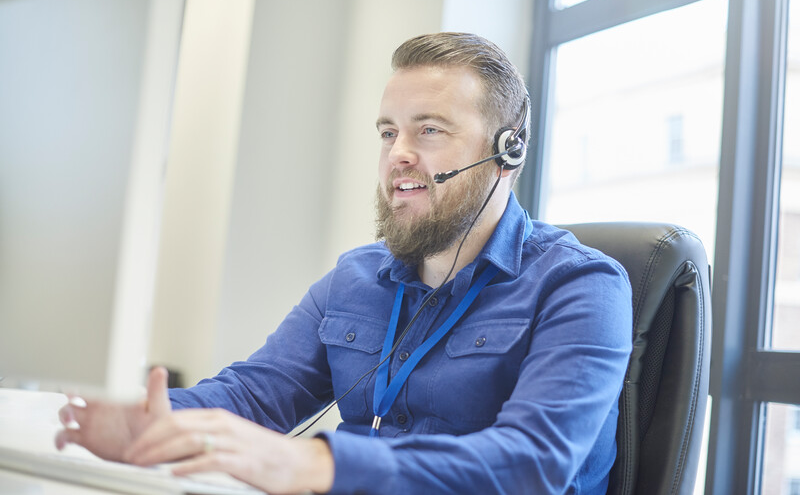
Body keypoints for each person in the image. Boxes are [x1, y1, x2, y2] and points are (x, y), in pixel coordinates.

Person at [56, 32, 633, 494]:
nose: (398, 155)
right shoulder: (355, 278)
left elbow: (532, 464)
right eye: (388, 133)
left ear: (507, 152)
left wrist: (314, 464)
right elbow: (255, 396)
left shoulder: (582, 286)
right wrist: (153, 419)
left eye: (429, 130)